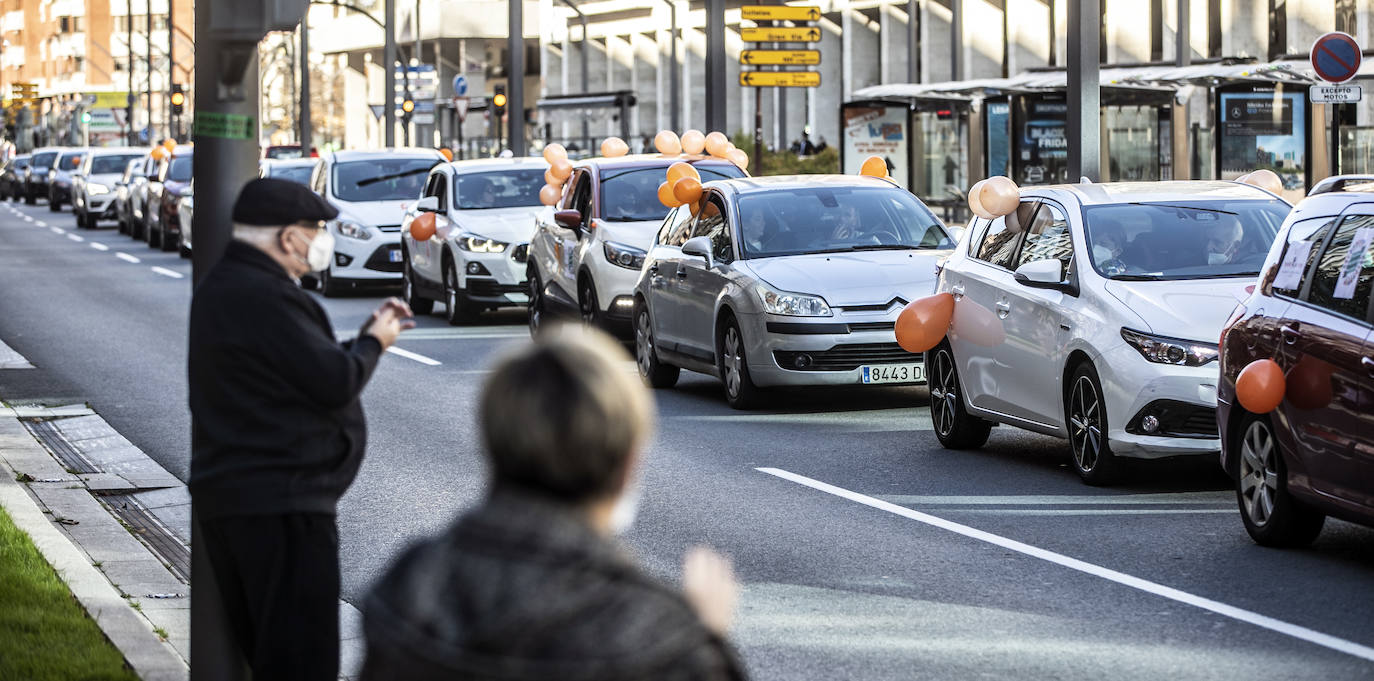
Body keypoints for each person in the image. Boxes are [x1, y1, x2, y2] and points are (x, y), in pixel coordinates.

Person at [359, 326, 747, 681]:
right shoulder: (658, 636)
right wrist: (707, 640)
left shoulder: (411, 584)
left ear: (493, 440)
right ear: (628, 463)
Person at [188, 178, 415, 681]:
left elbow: (298, 367)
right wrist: (375, 342)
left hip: (246, 496)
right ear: (289, 237)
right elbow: (335, 380)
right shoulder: (263, 294)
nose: (322, 240)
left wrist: (361, 339)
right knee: (300, 661)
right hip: (282, 506)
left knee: (274, 654)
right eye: (316, 229)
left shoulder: (229, 286)